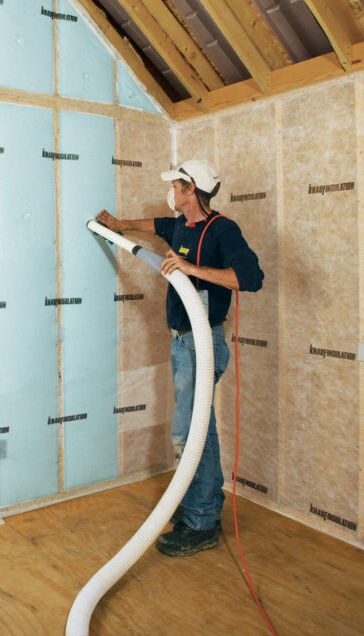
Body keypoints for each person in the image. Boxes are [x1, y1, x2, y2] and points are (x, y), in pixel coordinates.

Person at [97, 159, 263, 556]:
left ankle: (203, 520)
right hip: (182, 342)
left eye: (175, 186)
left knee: (192, 431)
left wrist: (191, 268)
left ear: (190, 190)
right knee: (194, 427)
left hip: (204, 342)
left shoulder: (222, 229)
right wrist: (120, 225)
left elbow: (250, 278)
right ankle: (195, 507)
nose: (170, 192)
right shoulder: (180, 226)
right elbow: (154, 225)